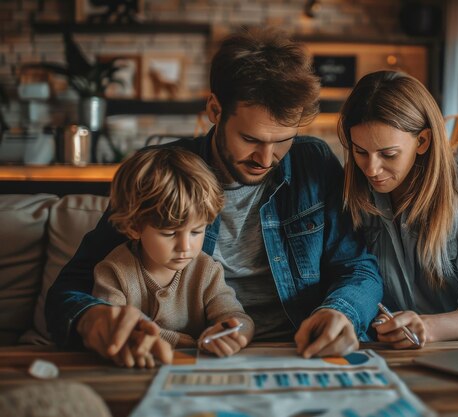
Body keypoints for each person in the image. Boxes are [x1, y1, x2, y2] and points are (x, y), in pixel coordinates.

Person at [45, 29, 383, 366]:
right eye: (251, 138)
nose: (265, 159)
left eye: (282, 140)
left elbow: (358, 268)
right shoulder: (163, 175)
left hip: (301, 351)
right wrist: (94, 320)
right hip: (197, 355)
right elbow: (68, 291)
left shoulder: (314, 162)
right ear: (215, 109)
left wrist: (341, 312)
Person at [338, 70, 458, 349]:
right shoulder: (352, 186)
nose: (371, 169)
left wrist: (427, 327)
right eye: (360, 151)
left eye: (388, 154)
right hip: (384, 353)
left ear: (423, 141)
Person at [92, 148, 253, 364]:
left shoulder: (206, 270)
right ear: (134, 228)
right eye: (169, 233)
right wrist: (186, 341)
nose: (185, 246)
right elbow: (117, 328)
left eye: (196, 231)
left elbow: (238, 318)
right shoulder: (114, 271)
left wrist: (233, 333)